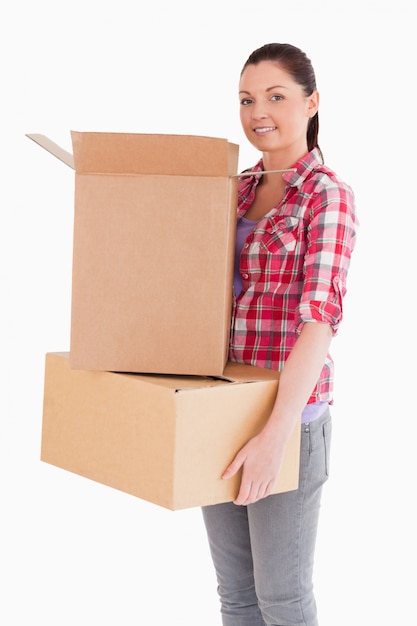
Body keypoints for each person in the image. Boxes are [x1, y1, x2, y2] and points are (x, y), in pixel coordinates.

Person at [201, 43, 358, 626]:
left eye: (275, 96)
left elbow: (319, 323)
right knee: (237, 597)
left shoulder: (327, 196)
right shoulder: (233, 189)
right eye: (246, 99)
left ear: (311, 103)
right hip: (220, 408)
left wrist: (274, 436)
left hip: (290, 417)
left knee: (283, 601)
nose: (257, 111)